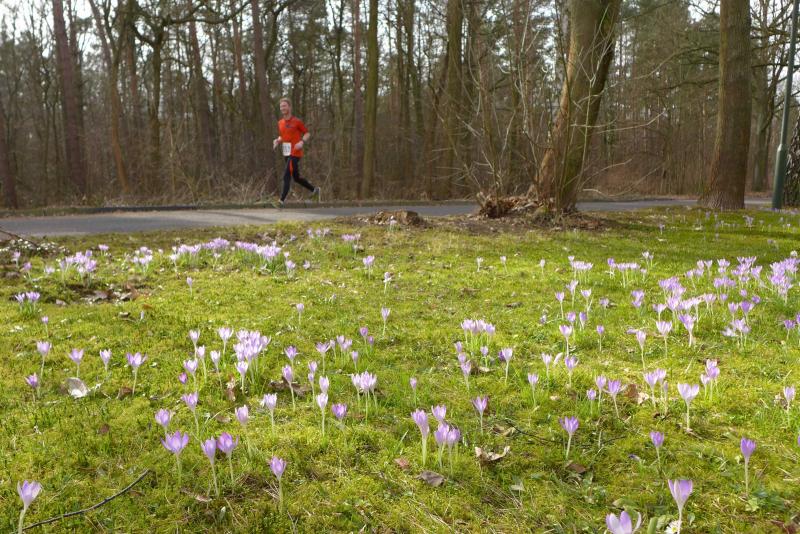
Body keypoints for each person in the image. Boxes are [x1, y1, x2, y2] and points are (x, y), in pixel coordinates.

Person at [272, 98, 320, 207]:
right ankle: (315, 190)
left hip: (295, 153)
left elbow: (307, 133)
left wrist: (302, 142)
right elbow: (283, 136)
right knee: (296, 177)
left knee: (286, 175)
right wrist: (277, 140)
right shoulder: (280, 123)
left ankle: (281, 201)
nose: (282, 108)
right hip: (286, 153)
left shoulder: (297, 121)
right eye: (281, 106)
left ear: (289, 107)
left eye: (284, 106)